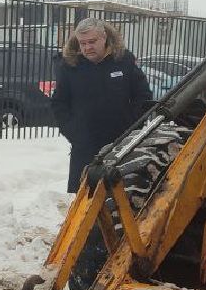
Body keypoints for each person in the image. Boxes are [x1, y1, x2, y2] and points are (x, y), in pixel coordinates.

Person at [50, 18, 152, 193]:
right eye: (83, 43)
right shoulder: (70, 66)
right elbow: (59, 103)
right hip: (85, 149)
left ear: (104, 37)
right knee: (85, 200)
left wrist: (132, 126)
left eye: (92, 41)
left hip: (121, 145)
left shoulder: (123, 60)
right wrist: (73, 132)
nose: (87, 47)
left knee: (123, 197)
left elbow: (143, 96)